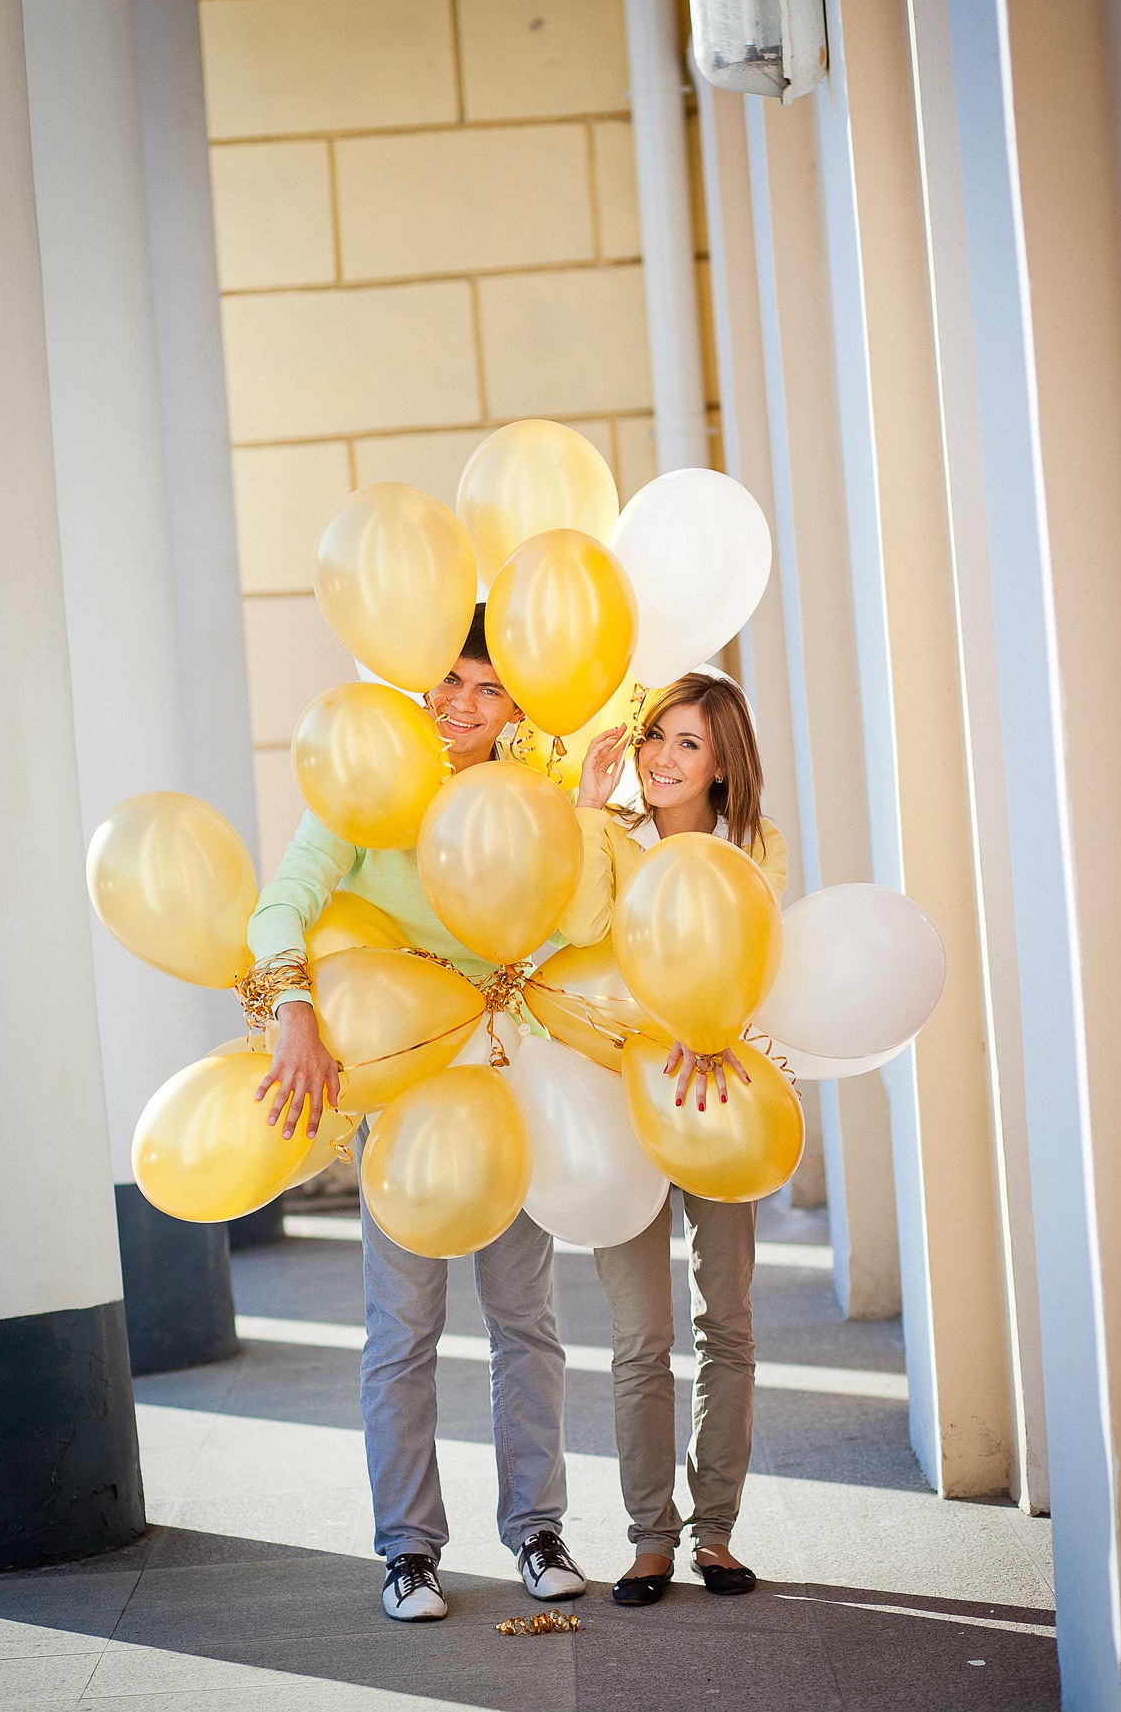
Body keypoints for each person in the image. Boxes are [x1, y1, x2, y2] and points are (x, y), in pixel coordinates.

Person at [245, 606, 587, 1624]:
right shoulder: (371, 784)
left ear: (516, 707)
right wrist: (294, 1010)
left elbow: (576, 921)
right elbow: (281, 901)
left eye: (488, 687)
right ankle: (407, 1551)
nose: (461, 703)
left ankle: (538, 1530)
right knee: (401, 1327)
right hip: (399, 1086)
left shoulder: (534, 794)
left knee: (525, 1320)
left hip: (503, 1078)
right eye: (448, 678)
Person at [560, 672, 789, 1607]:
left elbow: (761, 961)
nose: (660, 756)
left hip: (723, 1099)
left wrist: (712, 1020)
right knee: (640, 1336)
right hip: (622, 1103)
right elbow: (580, 927)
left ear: (723, 762)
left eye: (688, 742)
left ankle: (716, 1534)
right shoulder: (613, 836)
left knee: (725, 1322)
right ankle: (651, 1540)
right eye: (655, 735)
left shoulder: (755, 847)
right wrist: (585, 809)